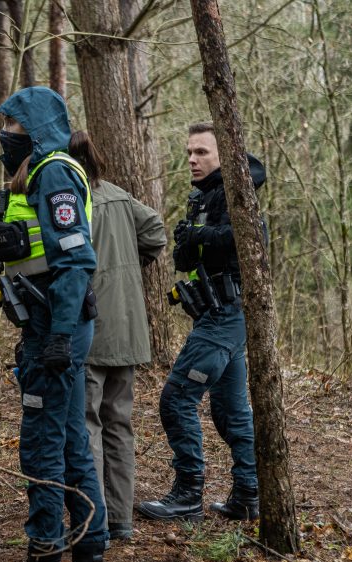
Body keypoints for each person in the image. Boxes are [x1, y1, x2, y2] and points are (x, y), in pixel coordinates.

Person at [0, 87, 108, 562]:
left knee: (42, 448)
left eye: (12, 128)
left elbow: (75, 260)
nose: (5, 137)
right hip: (49, 325)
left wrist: (57, 334)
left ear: (32, 130)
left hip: (55, 333)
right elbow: (41, 255)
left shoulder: (54, 171)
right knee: (72, 444)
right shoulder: (40, 172)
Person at [136, 121, 265, 523]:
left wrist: (200, 235)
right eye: (190, 152)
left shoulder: (237, 195)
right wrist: (189, 240)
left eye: (202, 152)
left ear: (223, 155)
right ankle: (247, 495)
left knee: (176, 399)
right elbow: (187, 257)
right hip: (215, 316)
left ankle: (188, 495)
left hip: (226, 317)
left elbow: (249, 237)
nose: (192, 159)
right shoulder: (204, 196)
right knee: (230, 412)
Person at [67, 131, 167, 541]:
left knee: (88, 423)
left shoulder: (73, 203)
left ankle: (96, 522)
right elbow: (157, 232)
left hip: (92, 327)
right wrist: (131, 262)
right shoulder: (122, 198)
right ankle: (121, 519)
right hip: (128, 328)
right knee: (119, 424)